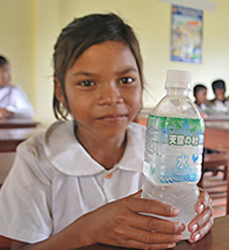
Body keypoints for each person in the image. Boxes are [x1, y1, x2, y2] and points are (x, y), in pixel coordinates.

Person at [0, 13, 213, 249]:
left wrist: (197, 213)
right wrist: (90, 230)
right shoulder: (36, 158)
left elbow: (177, 212)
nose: (112, 98)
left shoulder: (158, 149)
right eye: (88, 83)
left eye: (125, 80)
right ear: (60, 91)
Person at [0, 55, 35, 119]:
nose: (9, 75)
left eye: (9, 71)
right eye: (5, 71)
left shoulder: (15, 90)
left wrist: (7, 111)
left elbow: (29, 112)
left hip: (9, 128)